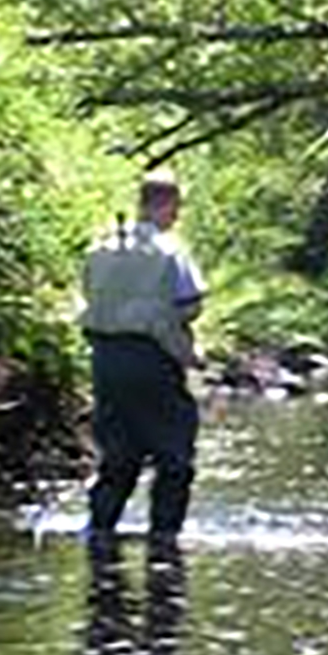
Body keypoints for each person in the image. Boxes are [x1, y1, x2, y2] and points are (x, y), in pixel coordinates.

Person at [79, 171, 206, 540]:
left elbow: (90, 294)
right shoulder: (169, 252)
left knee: (117, 455)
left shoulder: (99, 249)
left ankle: (99, 532)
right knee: (174, 457)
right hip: (153, 361)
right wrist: (185, 343)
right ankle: (164, 539)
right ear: (164, 205)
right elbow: (191, 303)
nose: (177, 216)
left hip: (104, 361)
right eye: (176, 208)